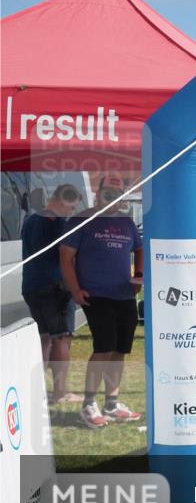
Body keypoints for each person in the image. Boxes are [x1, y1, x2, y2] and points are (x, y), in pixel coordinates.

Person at [59, 175, 143, 429]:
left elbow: (139, 249)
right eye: (108, 193)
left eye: (117, 195)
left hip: (124, 295)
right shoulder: (81, 220)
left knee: (120, 350)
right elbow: (65, 257)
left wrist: (139, 275)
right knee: (104, 348)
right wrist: (75, 289)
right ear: (98, 194)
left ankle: (112, 403)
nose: (112, 199)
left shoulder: (127, 222)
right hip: (95, 295)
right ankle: (89, 404)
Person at [21, 184, 83, 404]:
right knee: (62, 338)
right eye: (72, 207)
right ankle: (60, 392)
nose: (71, 212)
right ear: (63, 200)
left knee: (44, 339)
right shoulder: (57, 223)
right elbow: (66, 255)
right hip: (54, 288)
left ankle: (36, 391)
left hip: (31, 286)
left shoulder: (30, 220)